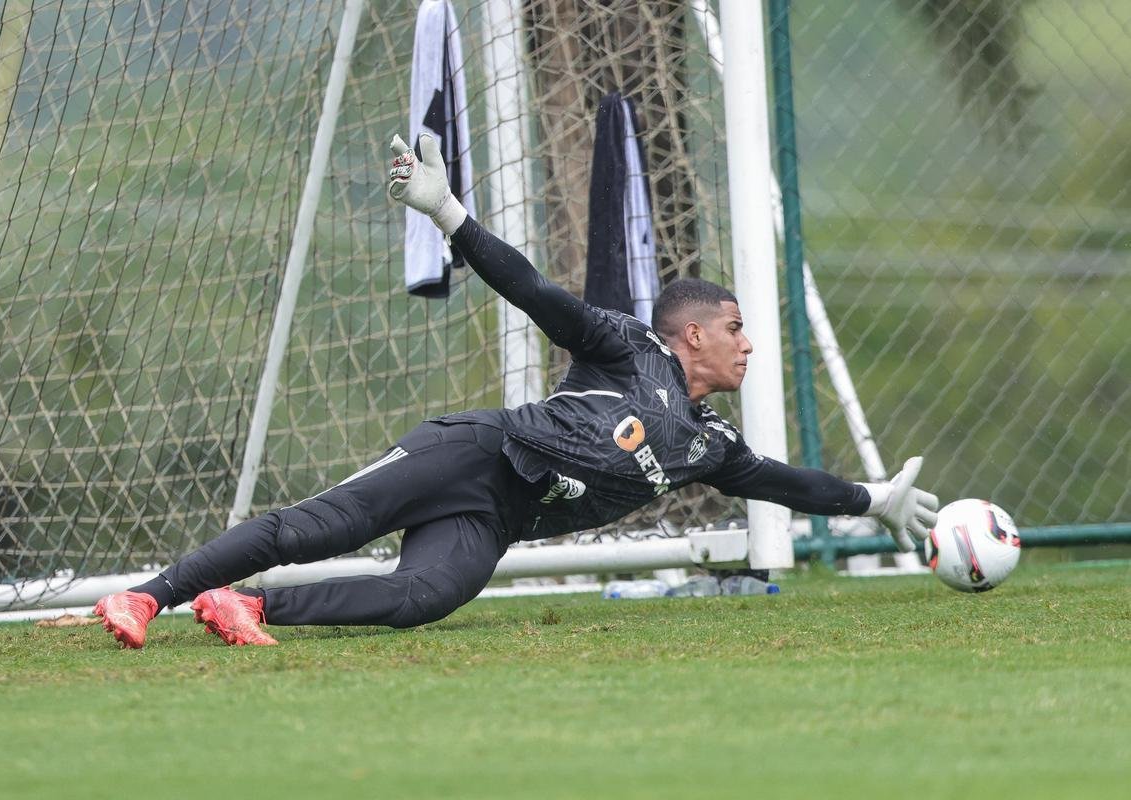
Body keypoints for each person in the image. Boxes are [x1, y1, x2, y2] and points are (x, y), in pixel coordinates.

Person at [93, 134, 938, 649]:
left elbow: (790, 485)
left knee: (427, 598)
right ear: (691, 334)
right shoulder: (623, 347)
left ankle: (240, 603)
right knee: (322, 527)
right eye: (735, 327)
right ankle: (144, 596)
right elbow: (535, 291)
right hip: (472, 450)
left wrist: (874, 501)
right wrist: (449, 216)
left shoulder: (708, 445)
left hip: (495, 516)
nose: (748, 342)